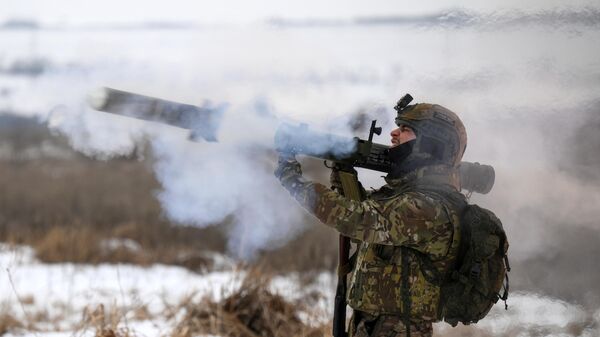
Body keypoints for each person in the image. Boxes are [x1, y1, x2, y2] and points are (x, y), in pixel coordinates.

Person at [275, 101, 469, 337]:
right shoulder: (407, 198)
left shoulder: (427, 208)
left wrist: (292, 179)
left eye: (405, 129)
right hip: (374, 326)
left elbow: (355, 219)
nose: (393, 133)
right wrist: (343, 172)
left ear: (431, 144)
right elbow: (364, 210)